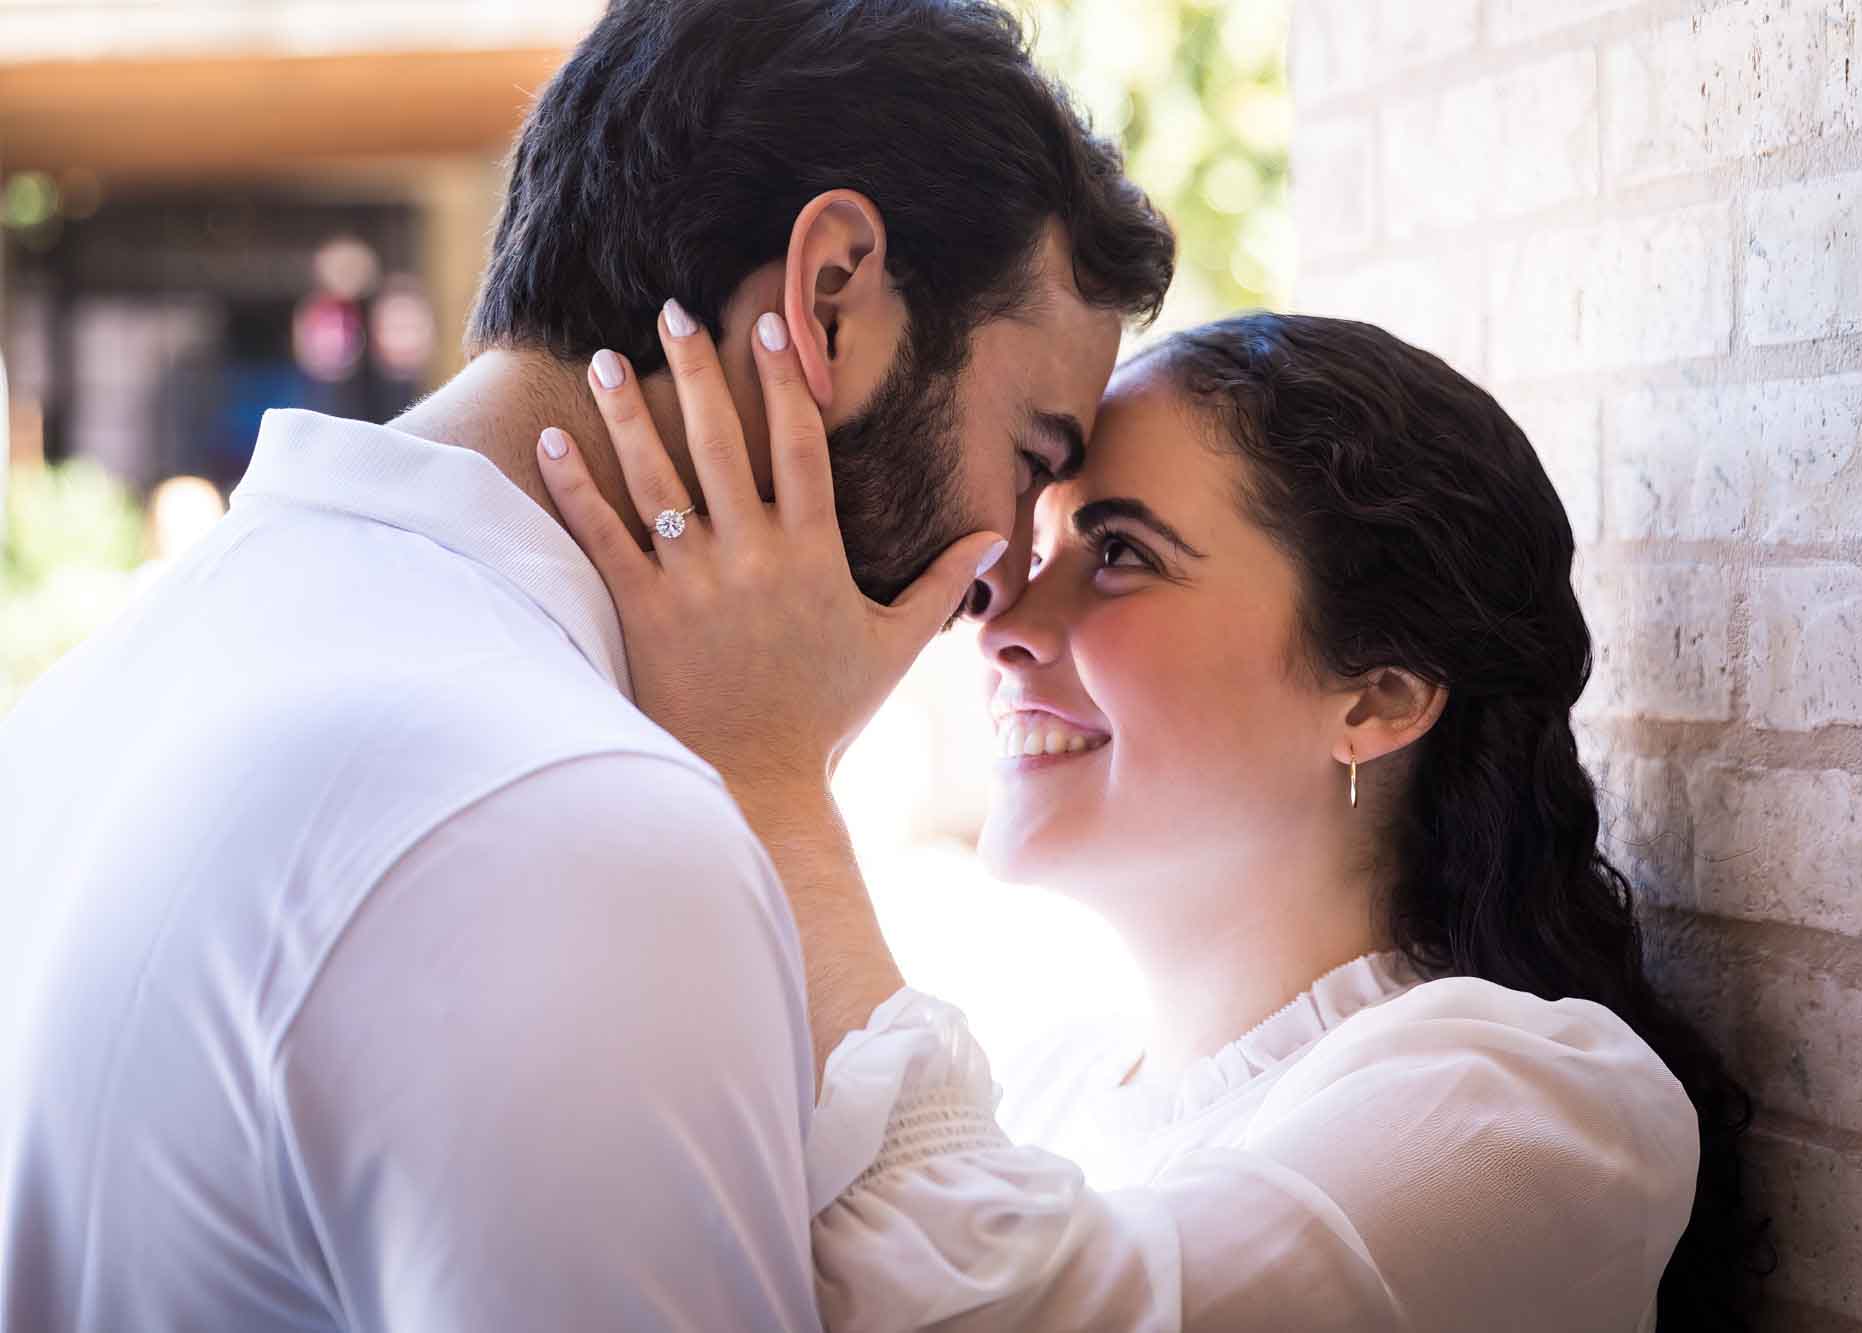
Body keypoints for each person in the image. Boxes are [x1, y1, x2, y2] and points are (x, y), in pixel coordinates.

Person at [0, 3, 1173, 1328]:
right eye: (1032, 458)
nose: (1001, 575)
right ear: (831, 294)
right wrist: (763, 770)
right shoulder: (577, 820)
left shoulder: (95, 693)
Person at [543, 309, 1772, 1330]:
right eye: (1032, 549)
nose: (1001, 619)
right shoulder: (1043, 1080)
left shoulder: (1527, 1106)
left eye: (1118, 553)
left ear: (1377, 695)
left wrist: (766, 768)